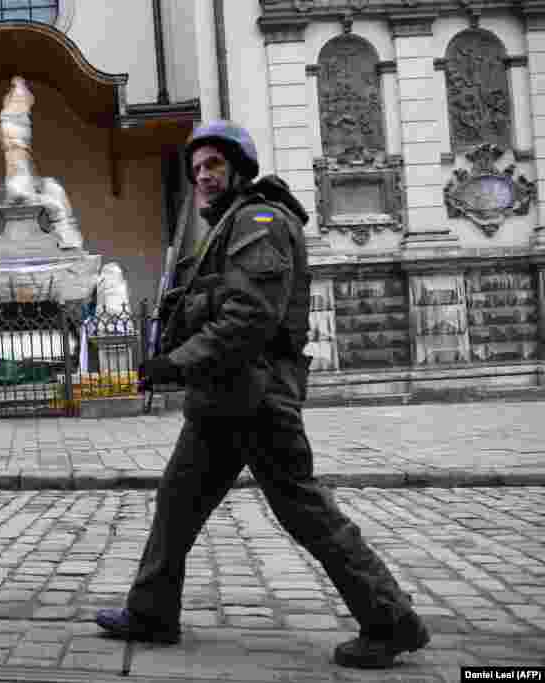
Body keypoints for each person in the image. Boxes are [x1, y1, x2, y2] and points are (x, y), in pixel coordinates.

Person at [95, 121, 429, 669]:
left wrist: (172, 364)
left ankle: (391, 621)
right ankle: (152, 611)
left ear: (239, 169)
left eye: (214, 166)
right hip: (221, 402)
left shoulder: (260, 221)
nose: (203, 176)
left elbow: (248, 317)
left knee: (306, 512)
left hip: (257, 401)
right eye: (196, 168)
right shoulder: (230, 223)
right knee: (177, 503)